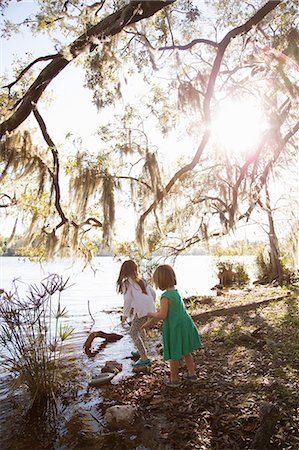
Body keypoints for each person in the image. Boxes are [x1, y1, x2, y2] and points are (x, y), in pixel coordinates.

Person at [145, 264, 202, 387]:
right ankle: (192, 374)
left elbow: (163, 315)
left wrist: (150, 313)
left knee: (174, 354)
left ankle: (174, 379)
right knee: (187, 351)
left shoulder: (165, 296)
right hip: (185, 324)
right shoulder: (175, 292)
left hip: (175, 327)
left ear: (160, 281)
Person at [116, 259, 156, 368]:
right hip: (149, 309)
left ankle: (144, 357)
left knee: (133, 332)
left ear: (123, 271)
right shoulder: (141, 280)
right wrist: (151, 305)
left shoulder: (127, 283)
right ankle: (141, 350)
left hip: (142, 310)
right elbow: (153, 293)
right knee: (140, 328)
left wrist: (125, 315)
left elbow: (127, 300)